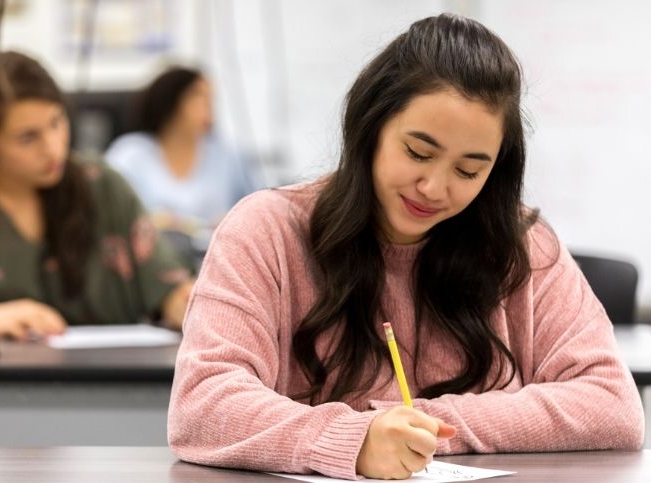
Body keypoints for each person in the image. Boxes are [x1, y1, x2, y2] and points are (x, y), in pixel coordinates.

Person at [167, 13, 644, 480]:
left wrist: (419, 428)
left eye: (468, 170)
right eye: (418, 152)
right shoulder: (266, 231)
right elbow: (202, 405)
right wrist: (354, 439)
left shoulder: (521, 245)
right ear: (371, 127)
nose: (435, 188)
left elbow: (612, 404)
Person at [0, 51, 194, 339]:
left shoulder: (101, 184)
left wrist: (186, 304)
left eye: (57, 123)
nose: (54, 149)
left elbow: (167, 287)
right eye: (28, 137)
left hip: (112, 377)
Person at [105, 66, 261, 235]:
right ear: (171, 102)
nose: (209, 108)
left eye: (211, 99)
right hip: (150, 258)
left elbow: (257, 212)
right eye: (199, 97)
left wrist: (233, 222)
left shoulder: (229, 156)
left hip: (214, 255)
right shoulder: (129, 155)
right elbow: (109, 216)